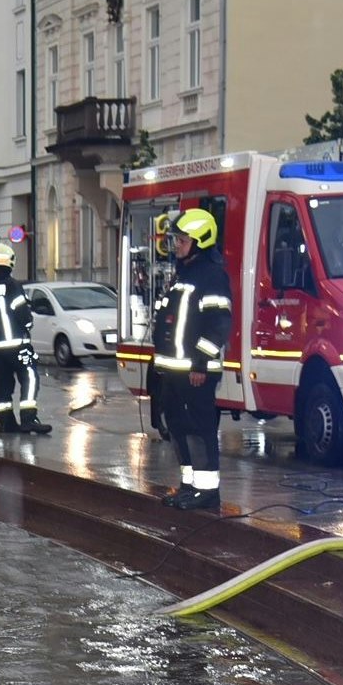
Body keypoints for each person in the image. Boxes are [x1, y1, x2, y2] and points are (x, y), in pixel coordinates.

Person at [150, 207, 233, 510]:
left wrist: (200, 363)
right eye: (176, 240)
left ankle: (207, 491)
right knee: (177, 426)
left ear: (201, 241)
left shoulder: (212, 276)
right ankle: (189, 485)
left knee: (199, 430)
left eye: (182, 241)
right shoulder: (183, 274)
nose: (176, 246)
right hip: (173, 370)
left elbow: (219, 324)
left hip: (196, 372)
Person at [0, 243, 52, 435]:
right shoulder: (12, 285)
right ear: (10, 261)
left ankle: (6, 423)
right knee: (30, 377)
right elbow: (24, 316)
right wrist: (27, 325)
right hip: (18, 345)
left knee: (3, 383)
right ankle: (28, 419)